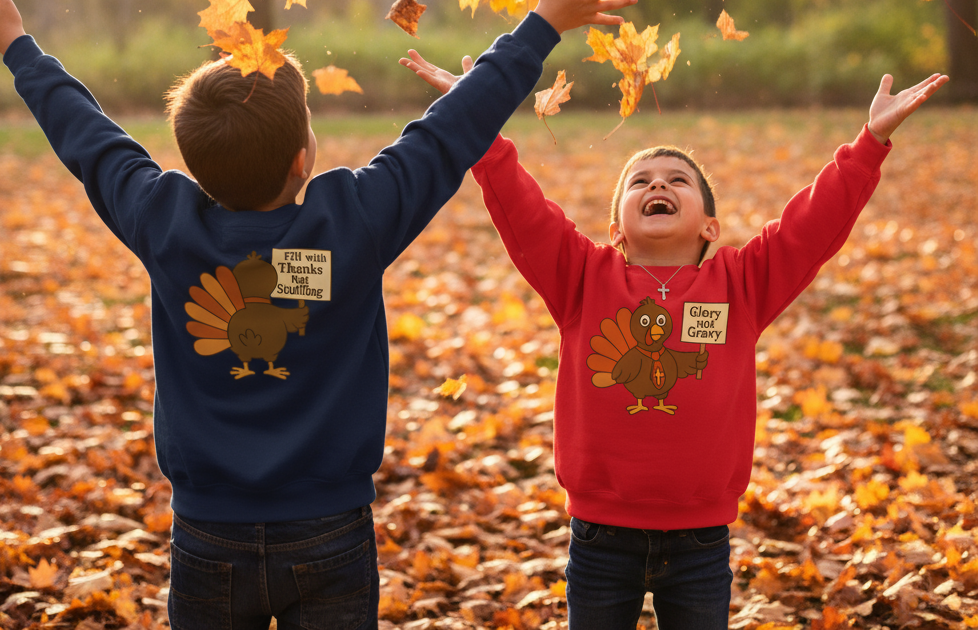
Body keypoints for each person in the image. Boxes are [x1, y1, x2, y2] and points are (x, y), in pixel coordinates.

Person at [0, 0, 638, 630]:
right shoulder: (353, 221)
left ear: (194, 162)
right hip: (329, 530)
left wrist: (19, 48)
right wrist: (541, 26)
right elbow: (448, 133)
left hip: (206, 534)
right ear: (302, 159)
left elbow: (93, 143)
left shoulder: (166, 223)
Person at [400, 49, 948, 630]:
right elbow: (522, 207)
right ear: (616, 230)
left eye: (676, 180)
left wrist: (868, 144)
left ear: (710, 226)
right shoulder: (582, 277)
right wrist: (475, 117)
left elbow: (806, 231)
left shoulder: (741, 283)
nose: (657, 183)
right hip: (600, 538)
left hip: (700, 542)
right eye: (640, 182)